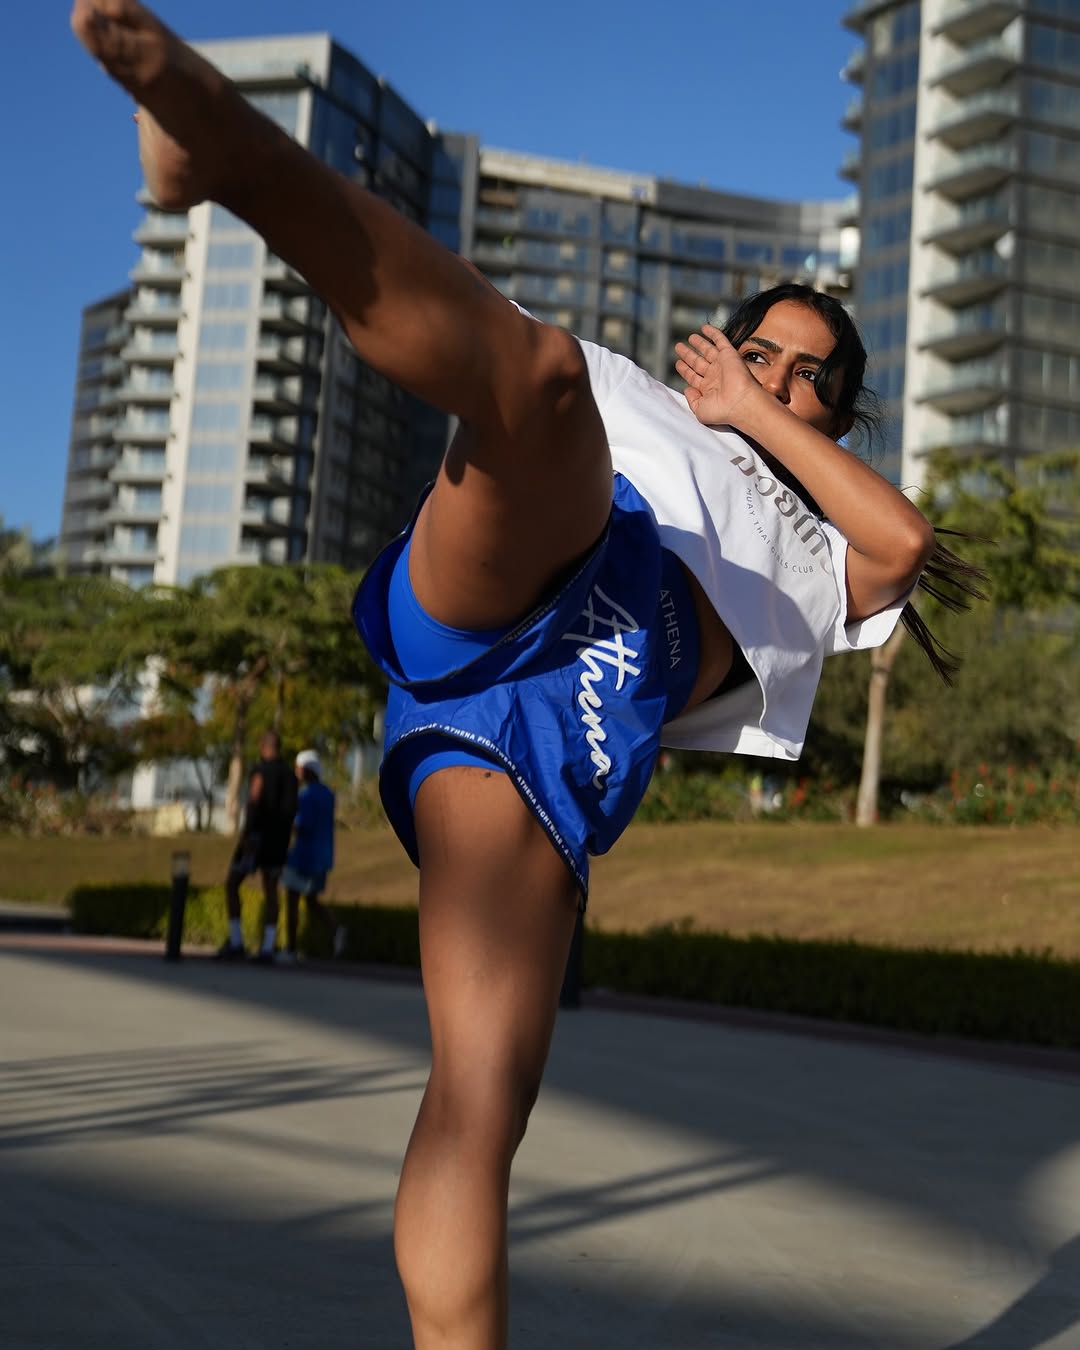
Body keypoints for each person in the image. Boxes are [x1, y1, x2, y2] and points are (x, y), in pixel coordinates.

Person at [71, 5, 982, 1345]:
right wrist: (709, 410)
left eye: (814, 377)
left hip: (560, 727)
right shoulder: (650, 402)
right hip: (540, 544)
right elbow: (556, 394)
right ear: (715, 350)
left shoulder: (826, 557)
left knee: (478, 1097)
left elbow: (905, 539)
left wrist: (754, 418)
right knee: (542, 375)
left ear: (843, 415)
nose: (779, 379)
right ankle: (232, 154)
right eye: (762, 352)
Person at [218, 729, 297, 962]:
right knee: (272, 891)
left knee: (232, 884)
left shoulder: (259, 772)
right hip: (278, 843)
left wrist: (245, 834)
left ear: (264, 747)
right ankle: (268, 946)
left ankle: (236, 941)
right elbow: (292, 810)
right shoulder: (290, 776)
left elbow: (254, 801)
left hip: (255, 840)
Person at [278, 749, 345, 964]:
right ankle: (337, 930)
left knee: (292, 899)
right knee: (312, 900)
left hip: (303, 856)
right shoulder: (328, 794)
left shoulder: (306, 796)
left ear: (307, 770)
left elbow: (300, 825)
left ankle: (290, 948)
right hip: (322, 857)